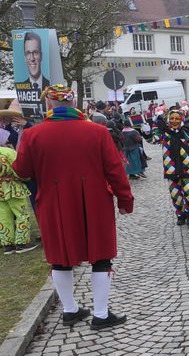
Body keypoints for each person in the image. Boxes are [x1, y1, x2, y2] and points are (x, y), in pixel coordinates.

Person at [13, 84, 133, 330]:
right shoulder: (97, 132)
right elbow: (115, 170)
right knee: (101, 257)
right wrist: (125, 200)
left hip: (53, 203)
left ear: (49, 104)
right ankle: (101, 314)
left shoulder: (32, 135)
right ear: (74, 103)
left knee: (60, 257)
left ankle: (70, 310)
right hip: (95, 202)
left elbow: (22, 171)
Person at [149, 108, 189, 225]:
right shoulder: (165, 133)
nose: (174, 121)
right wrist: (147, 130)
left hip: (187, 167)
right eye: (172, 118)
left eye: (177, 118)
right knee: (175, 194)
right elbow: (152, 140)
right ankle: (180, 215)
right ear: (168, 120)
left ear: (182, 119)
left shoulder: (188, 133)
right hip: (171, 168)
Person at [0, 146, 37, 254]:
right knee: (22, 214)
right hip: (13, 187)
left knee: (3, 217)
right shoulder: (8, 152)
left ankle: (7, 244)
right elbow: (19, 169)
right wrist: (26, 178)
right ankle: (22, 243)